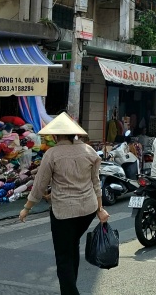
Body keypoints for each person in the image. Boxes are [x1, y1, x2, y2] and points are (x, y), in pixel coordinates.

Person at [19, 112, 109, 295]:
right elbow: (96, 182)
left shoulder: (52, 154)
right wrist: (100, 208)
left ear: (55, 135)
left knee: (64, 257)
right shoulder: (89, 151)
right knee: (72, 247)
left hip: (64, 213)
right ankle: (71, 287)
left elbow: (39, 186)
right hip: (88, 209)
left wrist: (26, 208)